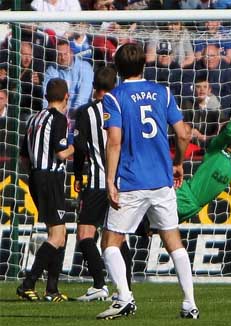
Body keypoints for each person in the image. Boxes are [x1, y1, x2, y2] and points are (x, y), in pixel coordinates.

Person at [97, 43, 198, 320]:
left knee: (109, 242)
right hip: (161, 180)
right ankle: (189, 303)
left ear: (117, 69)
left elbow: (114, 142)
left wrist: (110, 180)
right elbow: (183, 134)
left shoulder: (114, 98)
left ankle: (125, 298)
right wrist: (177, 162)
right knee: (173, 240)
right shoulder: (163, 92)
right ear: (144, 65)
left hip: (131, 180)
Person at [17, 78, 75, 302]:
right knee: (58, 235)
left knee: (60, 234)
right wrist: (77, 147)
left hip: (35, 176)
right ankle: (28, 283)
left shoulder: (34, 118)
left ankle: (52, 289)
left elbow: (23, 157)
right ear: (66, 97)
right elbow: (61, 153)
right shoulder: (59, 118)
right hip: (50, 177)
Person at [73, 66, 128, 302]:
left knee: (85, 233)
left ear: (94, 87)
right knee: (118, 236)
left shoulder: (85, 112)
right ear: (114, 87)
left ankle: (99, 285)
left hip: (97, 181)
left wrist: (77, 175)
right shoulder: (122, 109)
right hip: (123, 181)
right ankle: (125, 288)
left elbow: (79, 148)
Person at [43, 38, 94, 121]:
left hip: (80, 115)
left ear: (71, 53)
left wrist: (70, 117)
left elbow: (82, 98)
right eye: (59, 55)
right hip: (56, 115)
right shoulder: (51, 70)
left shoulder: (85, 67)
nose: (63, 58)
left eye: (65, 54)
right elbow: (46, 98)